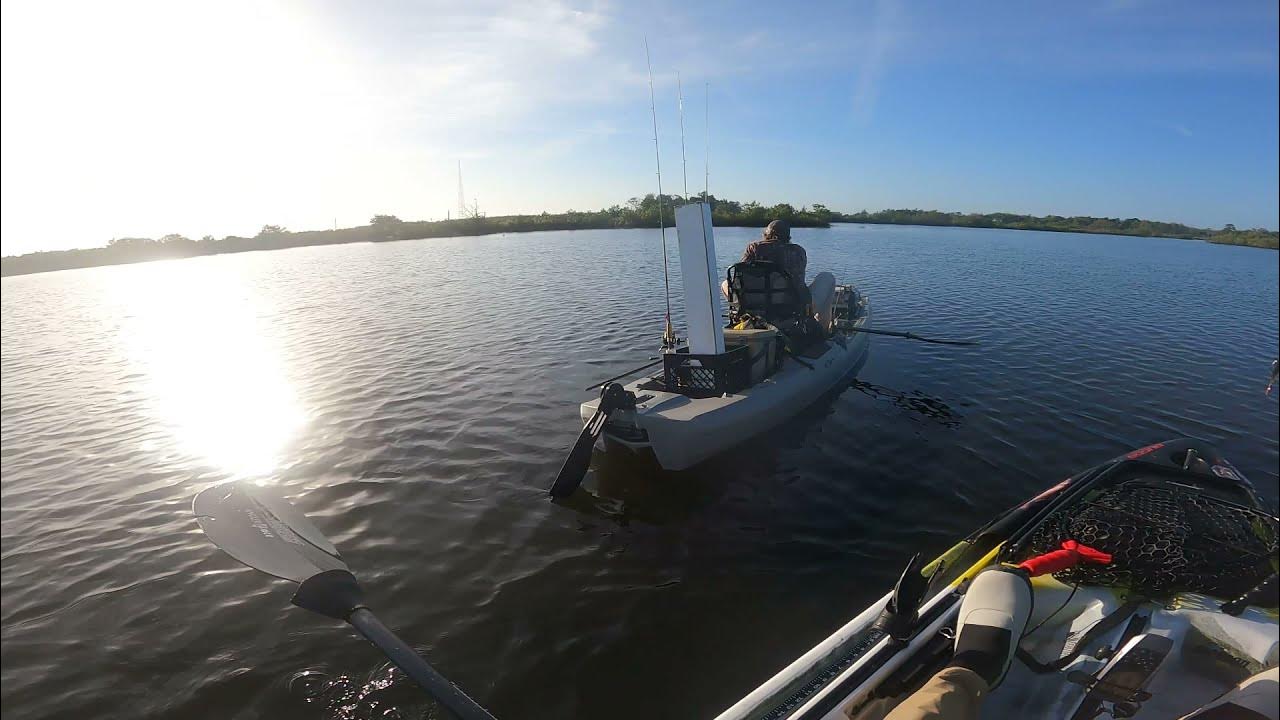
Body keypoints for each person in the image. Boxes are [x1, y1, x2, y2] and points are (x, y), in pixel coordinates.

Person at [728, 219, 836, 329]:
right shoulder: (798, 251)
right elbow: (799, 279)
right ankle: (823, 330)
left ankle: (742, 312)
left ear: (765, 234)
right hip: (793, 307)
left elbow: (740, 274)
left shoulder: (753, 248)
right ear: (788, 237)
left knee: (725, 283)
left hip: (754, 306)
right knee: (828, 277)